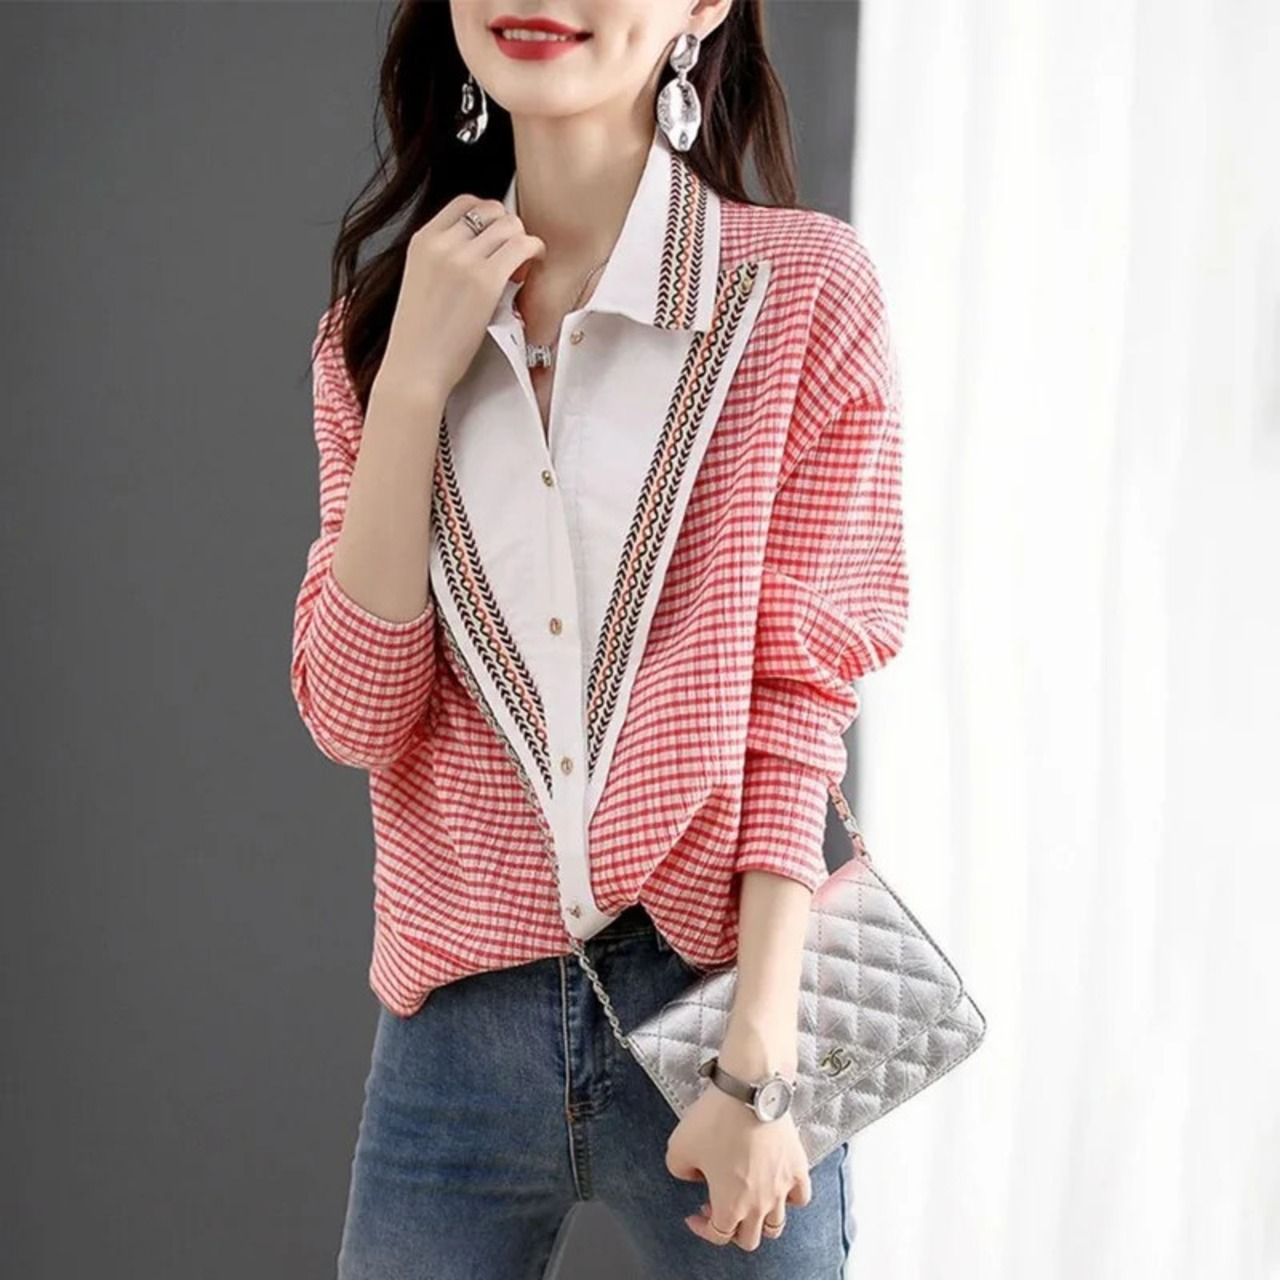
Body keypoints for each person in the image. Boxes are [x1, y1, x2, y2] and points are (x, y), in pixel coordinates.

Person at [289, 1, 909, 1275]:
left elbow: (797, 695)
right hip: (454, 1036)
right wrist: (411, 383)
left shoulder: (796, 290)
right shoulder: (378, 333)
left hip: (720, 1009)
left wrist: (760, 1065)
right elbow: (357, 714)